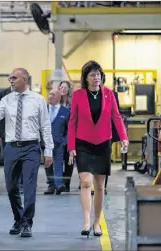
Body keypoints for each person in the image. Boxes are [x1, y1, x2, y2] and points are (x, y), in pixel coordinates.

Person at [0, 68, 54, 238]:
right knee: (11, 187)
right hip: (12, 147)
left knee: (29, 187)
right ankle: (18, 218)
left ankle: (27, 223)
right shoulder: (6, 100)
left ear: (25, 79)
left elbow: (45, 126)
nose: (11, 81)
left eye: (14, 78)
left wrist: (48, 150)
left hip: (31, 148)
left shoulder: (38, 100)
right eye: (9, 78)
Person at [67, 60, 128, 237]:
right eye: (92, 75)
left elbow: (116, 117)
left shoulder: (109, 94)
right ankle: (86, 222)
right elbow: (72, 122)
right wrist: (71, 147)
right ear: (86, 78)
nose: (96, 78)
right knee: (85, 182)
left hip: (103, 143)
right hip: (83, 143)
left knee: (100, 185)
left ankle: (96, 222)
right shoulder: (78, 95)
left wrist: (123, 137)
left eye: (98, 75)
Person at [43, 88, 69, 195]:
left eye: (53, 95)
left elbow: (69, 129)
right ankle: (51, 185)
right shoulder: (43, 109)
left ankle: (58, 185)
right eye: (49, 94)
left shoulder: (66, 111)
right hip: (45, 143)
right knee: (48, 163)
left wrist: (65, 141)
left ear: (58, 97)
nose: (50, 97)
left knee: (58, 163)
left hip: (58, 143)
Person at [58, 80, 75, 191]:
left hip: (70, 134)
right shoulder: (55, 102)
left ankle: (66, 183)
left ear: (69, 90)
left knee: (69, 160)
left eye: (65, 87)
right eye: (61, 87)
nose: (63, 89)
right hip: (59, 135)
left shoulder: (72, 103)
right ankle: (59, 183)